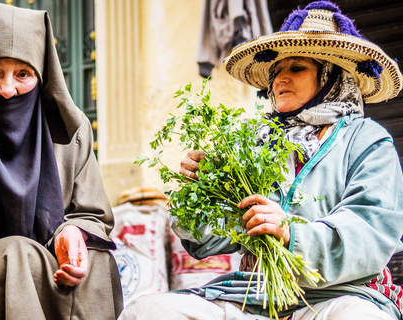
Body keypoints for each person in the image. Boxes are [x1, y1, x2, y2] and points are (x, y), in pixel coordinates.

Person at [118, 1, 403, 319]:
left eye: (296, 68)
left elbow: (369, 232)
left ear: (331, 77)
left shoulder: (367, 140)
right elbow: (208, 242)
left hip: (337, 297)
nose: (280, 79)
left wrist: (291, 233)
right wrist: (196, 195)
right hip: (254, 297)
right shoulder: (255, 142)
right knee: (147, 310)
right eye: (276, 71)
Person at [0, 1, 123, 319]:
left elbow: (93, 215)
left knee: (97, 258)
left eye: (23, 74)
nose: (7, 89)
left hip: (45, 264)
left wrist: (73, 233)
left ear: (42, 76)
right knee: (17, 252)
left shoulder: (73, 131)